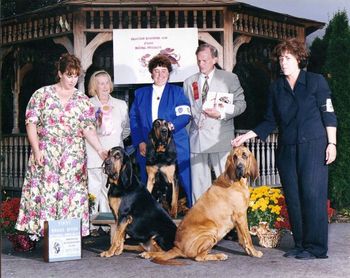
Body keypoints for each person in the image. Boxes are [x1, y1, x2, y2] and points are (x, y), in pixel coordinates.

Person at [232, 38, 337, 260]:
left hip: (314, 146)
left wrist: (332, 144)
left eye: (288, 58)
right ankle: (300, 244)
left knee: (312, 195)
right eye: (281, 58)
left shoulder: (315, 82)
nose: (283, 62)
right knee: (293, 197)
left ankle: (316, 247)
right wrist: (248, 135)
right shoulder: (276, 87)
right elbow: (270, 121)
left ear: (299, 59)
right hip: (287, 150)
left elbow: (328, 114)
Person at [15, 53, 107, 239]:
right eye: (69, 75)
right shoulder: (42, 94)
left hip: (73, 156)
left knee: (71, 197)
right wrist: (36, 149)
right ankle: (44, 235)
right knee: (46, 194)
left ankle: (67, 238)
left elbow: (88, 129)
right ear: (60, 73)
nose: (72, 79)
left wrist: (100, 149)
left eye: (76, 76)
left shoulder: (82, 100)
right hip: (47, 153)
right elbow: (31, 123)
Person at [183, 43, 246, 203]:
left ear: (215, 59)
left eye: (204, 60)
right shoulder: (189, 82)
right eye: (198, 61)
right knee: (199, 189)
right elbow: (186, 111)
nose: (201, 64)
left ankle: (231, 223)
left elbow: (241, 104)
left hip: (221, 139)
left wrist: (222, 113)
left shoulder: (229, 78)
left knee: (227, 184)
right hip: (196, 141)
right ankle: (201, 223)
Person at [129, 54, 193, 207]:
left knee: (183, 179)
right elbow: (134, 119)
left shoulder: (177, 92)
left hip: (176, 143)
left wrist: (171, 126)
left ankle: (190, 208)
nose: (160, 74)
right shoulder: (140, 94)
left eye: (163, 70)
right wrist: (139, 142)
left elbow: (185, 115)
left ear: (169, 73)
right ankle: (148, 211)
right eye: (156, 71)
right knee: (147, 180)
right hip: (148, 145)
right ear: (151, 73)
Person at [86, 70, 130, 236]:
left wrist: (115, 144)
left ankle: (107, 225)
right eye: (100, 83)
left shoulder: (121, 105)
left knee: (110, 190)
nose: (104, 86)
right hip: (94, 155)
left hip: (114, 157)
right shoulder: (87, 105)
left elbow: (126, 129)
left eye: (106, 82)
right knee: (93, 190)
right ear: (94, 86)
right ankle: (90, 225)